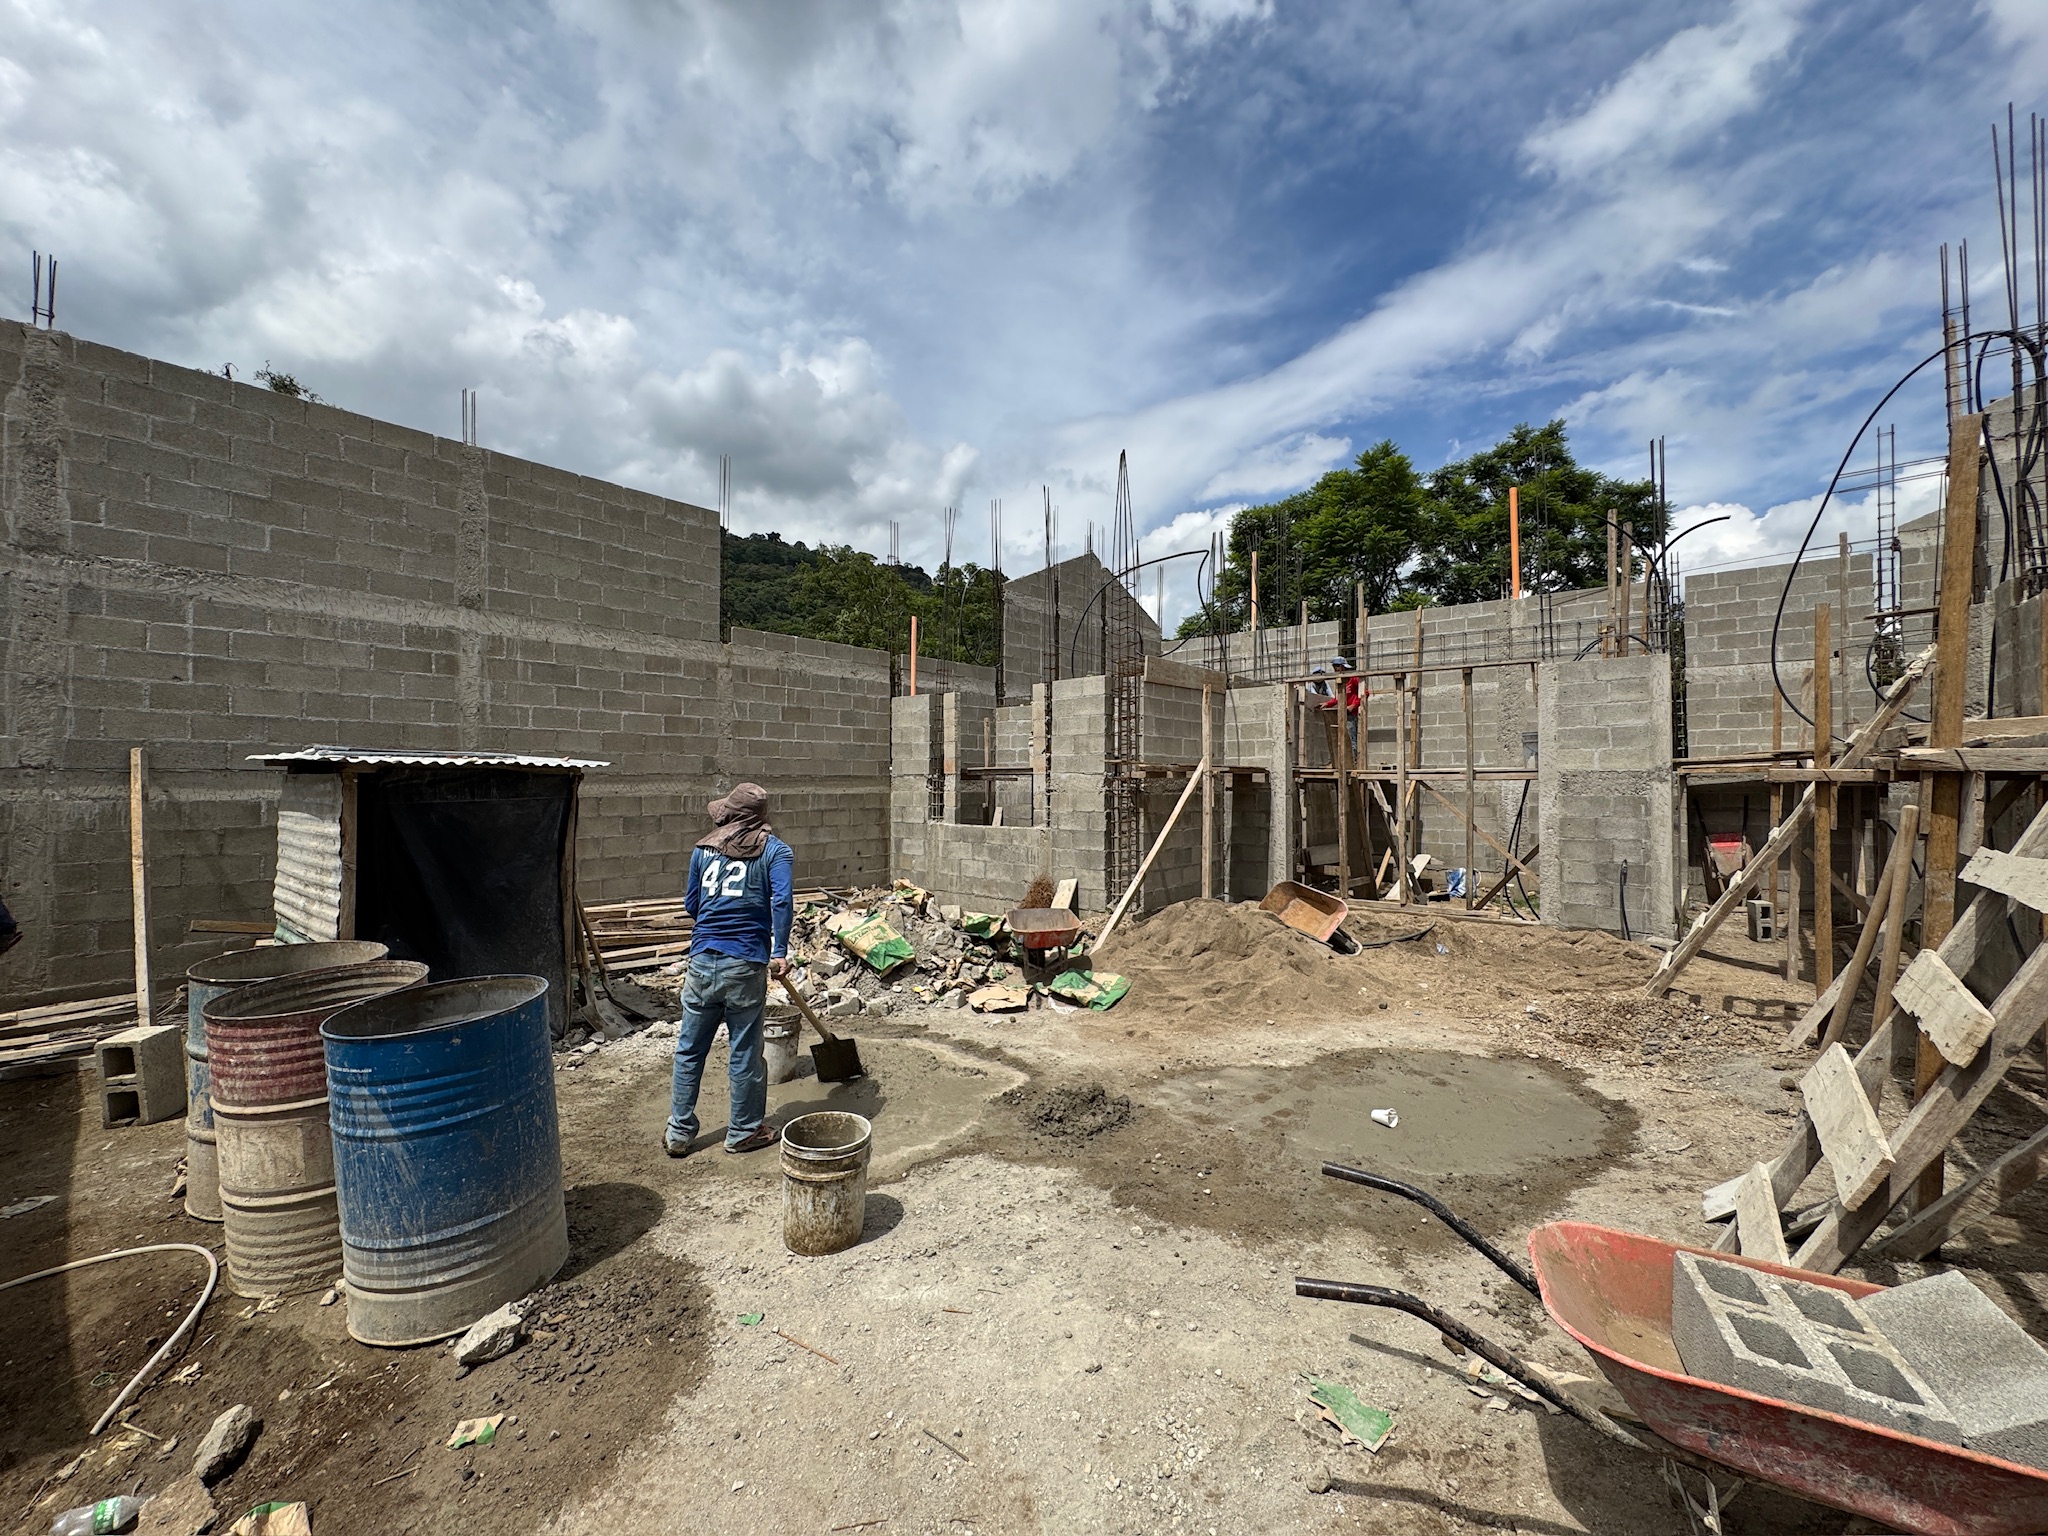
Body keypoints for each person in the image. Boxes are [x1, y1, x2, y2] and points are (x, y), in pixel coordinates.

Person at [666, 782, 794, 1157]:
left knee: (689, 1050)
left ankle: (678, 1132)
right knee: (744, 1052)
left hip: (702, 961)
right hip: (744, 963)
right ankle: (742, 1132)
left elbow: (692, 904)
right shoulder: (776, 852)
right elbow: (782, 901)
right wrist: (781, 951)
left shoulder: (703, 850)